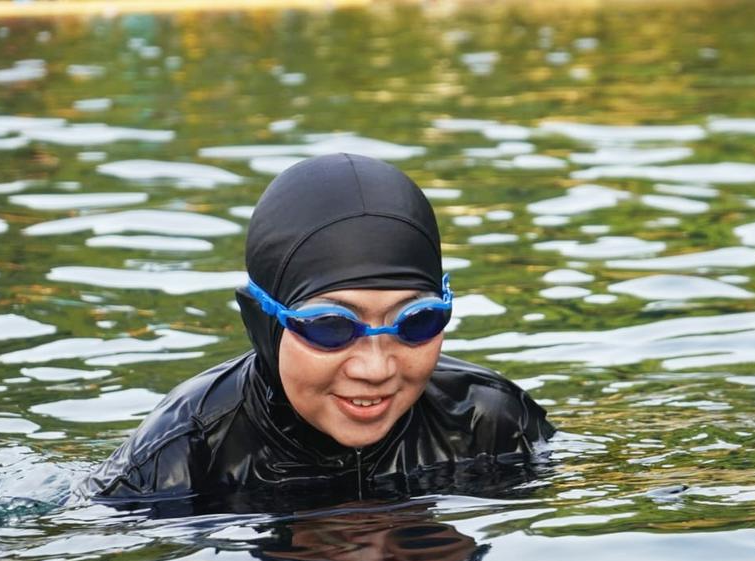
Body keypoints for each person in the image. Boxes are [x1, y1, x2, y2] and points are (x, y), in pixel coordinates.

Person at [72, 154, 554, 509]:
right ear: (262, 323)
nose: (375, 368)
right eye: (330, 327)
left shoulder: (491, 422)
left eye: (417, 321)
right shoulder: (183, 454)